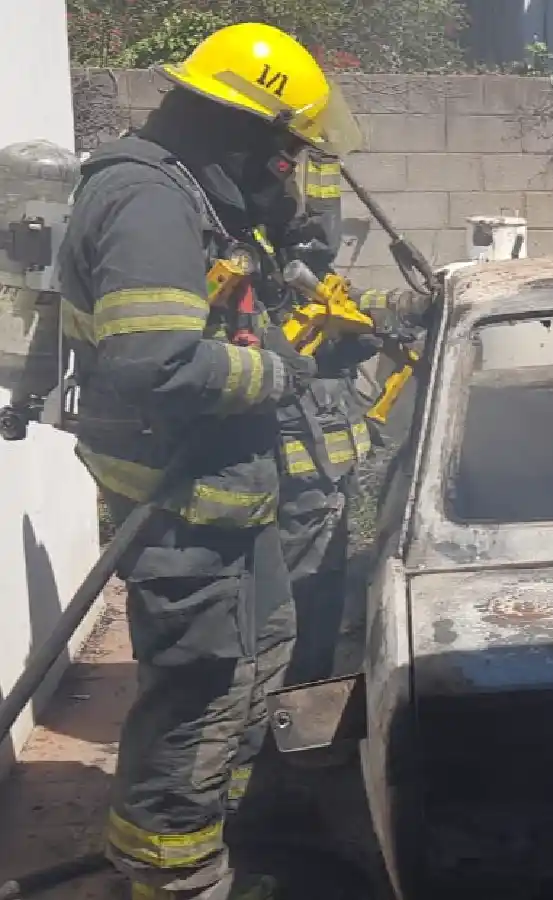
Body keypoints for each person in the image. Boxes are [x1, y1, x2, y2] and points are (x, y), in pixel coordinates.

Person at [55, 22, 357, 900]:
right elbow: (153, 363)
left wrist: (322, 333)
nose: (287, 172)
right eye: (282, 152)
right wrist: (279, 370)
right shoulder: (147, 200)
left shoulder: (197, 194)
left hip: (231, 499)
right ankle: (173, 882)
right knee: (197, 702)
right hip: (182, 508)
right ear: (237, 126)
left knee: (255, 671)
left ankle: (211, 849)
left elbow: (241, 316)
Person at [263, 149, 430, 687]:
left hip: (322, 475)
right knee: (297, 598)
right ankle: (292, 701)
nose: (318, 228)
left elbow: (349, 298)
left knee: (322, 584)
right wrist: (310, 359)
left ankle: (303, 691)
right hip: (286, 476)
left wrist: (407, 306)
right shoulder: (252, 266)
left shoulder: (297, 268)